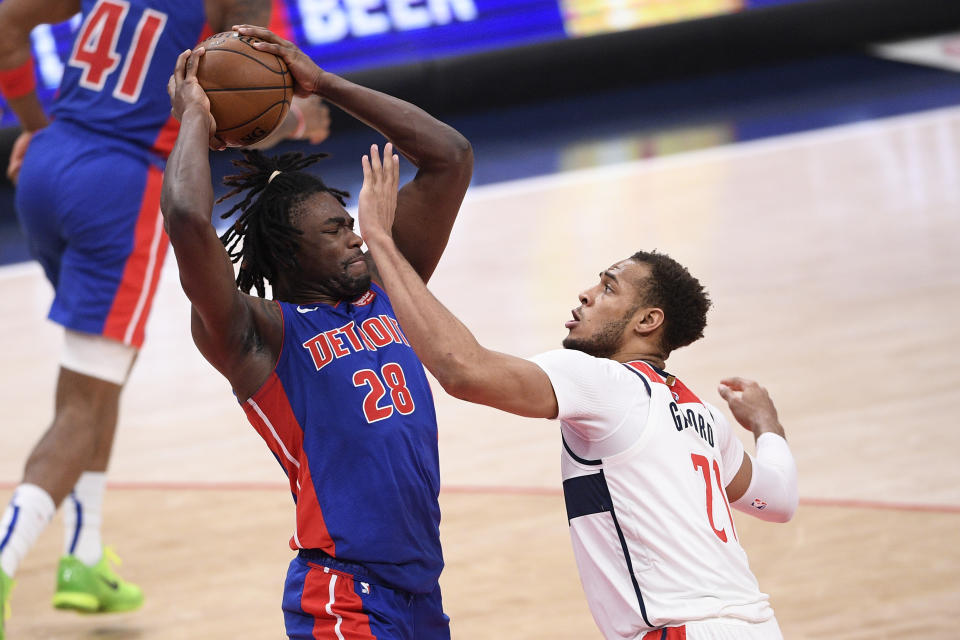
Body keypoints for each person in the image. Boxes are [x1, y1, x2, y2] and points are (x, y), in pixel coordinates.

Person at [357, 152, 799, 639]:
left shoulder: (602, 382)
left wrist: (379, 238)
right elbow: (777, 500)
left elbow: (462, 370)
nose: (587, 293)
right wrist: (766, 425)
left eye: (608, 287)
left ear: (647, 321)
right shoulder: (706, 420)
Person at [161, 25, 472, 639]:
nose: (356, 235)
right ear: (288, 254)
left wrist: (323, 83)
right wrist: (195, 116)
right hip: (342, 595)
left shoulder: (388, 287)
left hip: (421, 593)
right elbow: (190, 218)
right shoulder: (258, 336)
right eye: (332, 230)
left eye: (350, 222)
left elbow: (450, 157)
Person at [0, 0, 273, 635]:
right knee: (84, 403)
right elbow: (246, 91)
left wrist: (35, 127)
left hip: (48, 167)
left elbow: (7, 23)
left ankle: (86, 554)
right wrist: (294, 112)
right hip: (118, 185)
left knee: (98, 373)